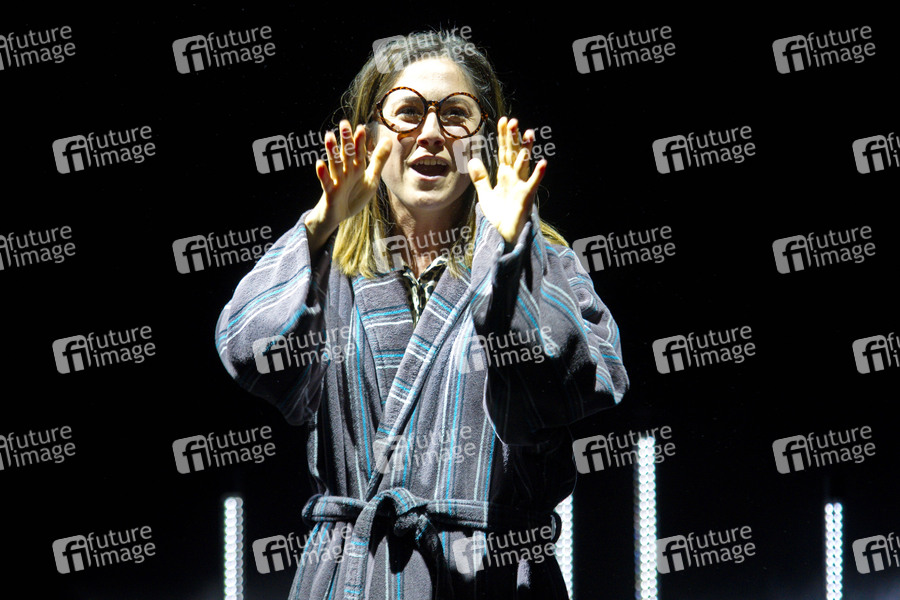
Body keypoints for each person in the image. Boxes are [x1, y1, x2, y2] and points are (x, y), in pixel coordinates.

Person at [215, 30, 628, 600]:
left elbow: (564, 389)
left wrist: (510, 254)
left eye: (456, 115)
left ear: (482, 141)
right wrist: (318, 226)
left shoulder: (545, 260)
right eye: (408, 112)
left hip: (493, 578)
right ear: (370, 137)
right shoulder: (326, 272)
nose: (431, 133)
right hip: (353, 578)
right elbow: (250, 354)